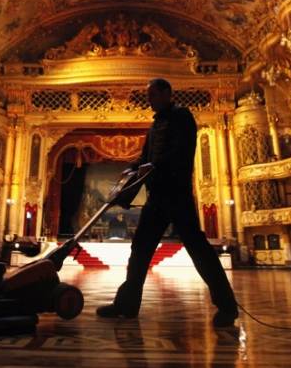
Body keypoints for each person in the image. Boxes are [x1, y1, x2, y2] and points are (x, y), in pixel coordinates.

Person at [96, 78, 239, 328]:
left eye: (152, 94)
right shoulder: (154, 127)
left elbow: (180, 151)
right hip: (156, 197)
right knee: (139, 251)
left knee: (198, 250)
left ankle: (227, 307)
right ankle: (127, 304)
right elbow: (144, 157)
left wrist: (154, 167)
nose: (149, 99)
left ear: (166, 93)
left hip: (177, 195)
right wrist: (130, 171)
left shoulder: (182, 117)